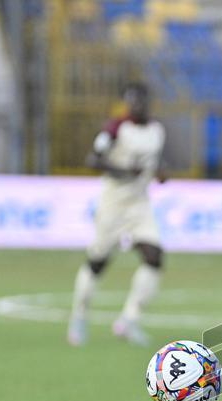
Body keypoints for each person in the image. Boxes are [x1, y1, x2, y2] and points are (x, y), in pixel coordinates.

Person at [68, 82, 167, 347]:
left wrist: (160, 173)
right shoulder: (115, 128)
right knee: (99, 260)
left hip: (140, 205)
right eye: (131, 102)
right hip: (113, 203)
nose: (136, 107)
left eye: (140, 101)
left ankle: (129, 320)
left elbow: (155, 162)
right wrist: (124, 172)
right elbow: (94, 160)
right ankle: (79, 316)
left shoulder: (157, 130)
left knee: (154, 256)